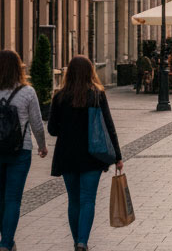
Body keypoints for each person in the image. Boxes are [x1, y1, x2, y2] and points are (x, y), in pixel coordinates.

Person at [0, 50, 48, 251]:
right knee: (13, 198)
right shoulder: (27, 92)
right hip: (20, 151)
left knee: (2, 197)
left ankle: (8, 242)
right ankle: (5, 244)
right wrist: (42, 145)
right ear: (18, 68)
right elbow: (37, 123)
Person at [48, 56, 123, 251]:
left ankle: (76, 241)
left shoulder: (59, 97)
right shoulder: (97, 95)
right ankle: (82, 242)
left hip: (67, 155)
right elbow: (109, 125)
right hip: (92, 155)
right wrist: (118, 156)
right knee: (88, 199)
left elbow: (52, 130)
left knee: (74, 200)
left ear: (69, 73)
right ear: (90, 72)